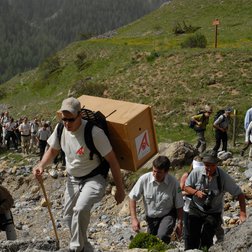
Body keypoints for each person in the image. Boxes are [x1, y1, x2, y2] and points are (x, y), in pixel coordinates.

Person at [33, 97, 125, 252]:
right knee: (68, 217)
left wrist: (120, 189)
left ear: (80, 115)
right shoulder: (60, 129)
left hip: (94, 178)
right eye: (64, 119)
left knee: (80, 209)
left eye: (70, 120)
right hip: (73, 179)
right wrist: (41, 165)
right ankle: (86, 248)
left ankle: (75, 248)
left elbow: (113, 161)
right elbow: (53, 150)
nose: (67, 124)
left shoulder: (95, 133)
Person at [184, 151, 246, 250]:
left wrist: (242, 214)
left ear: (216, 164)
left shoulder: (223, 177)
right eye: (207, 165)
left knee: (207, 237)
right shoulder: (196, 172)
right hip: (196, 207)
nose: (208, 168)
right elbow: (186, 187)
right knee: (192, 236)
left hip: (213, 212)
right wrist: (196, 192)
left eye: (212, 165)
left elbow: (239, 194)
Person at [129, 155, 184, 244]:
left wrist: (180, 223)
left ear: (166, 172)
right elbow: (132, 197)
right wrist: (134, 218)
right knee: (151, 241)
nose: (155, 174)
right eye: (154, 171)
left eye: (158, 172)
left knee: (162, 236)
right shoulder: (144, 179)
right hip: (151, 218)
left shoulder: (174, 183)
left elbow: (179, 204)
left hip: (167, 215)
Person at [180, 155, 205, 250]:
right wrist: (192, 192)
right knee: (188, 231)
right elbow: (179, 191)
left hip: (201, 207)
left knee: (198, 231)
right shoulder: (186, 175)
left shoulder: (204, 175)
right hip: (188, 206)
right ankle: (188, 249)